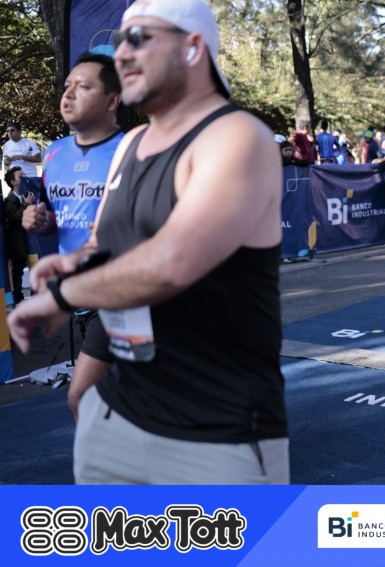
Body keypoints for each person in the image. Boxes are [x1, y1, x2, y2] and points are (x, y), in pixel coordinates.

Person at [8, 0, 289, 484]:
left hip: (217, 415)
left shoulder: (238, 136)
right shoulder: (133, 145)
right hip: (132, 398)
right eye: (121, 44)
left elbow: (173, 262)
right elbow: (104, 239)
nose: (123, 55)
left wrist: (64, 294)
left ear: (192, 49)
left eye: (139, 39)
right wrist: (69, 263)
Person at [22, 52, 125, 422]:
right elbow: (58, 219)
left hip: (120, 295)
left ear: (112, 100)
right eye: (67, 86)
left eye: (83, 87)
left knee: (81, 397)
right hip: (78, 296)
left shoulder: (134, 151)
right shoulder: (54, 153)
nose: (68, 94)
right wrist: (39, 221)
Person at [3, 167, 35, 306]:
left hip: (29, 241)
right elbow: (15, 217)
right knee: (18, 272)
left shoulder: (26, 195)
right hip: (17, 243)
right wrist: (26, 204)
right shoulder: (10, 200)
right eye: (20, 176)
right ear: (13, 182)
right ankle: (18, 298)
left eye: (24, 174)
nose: (24, 177)